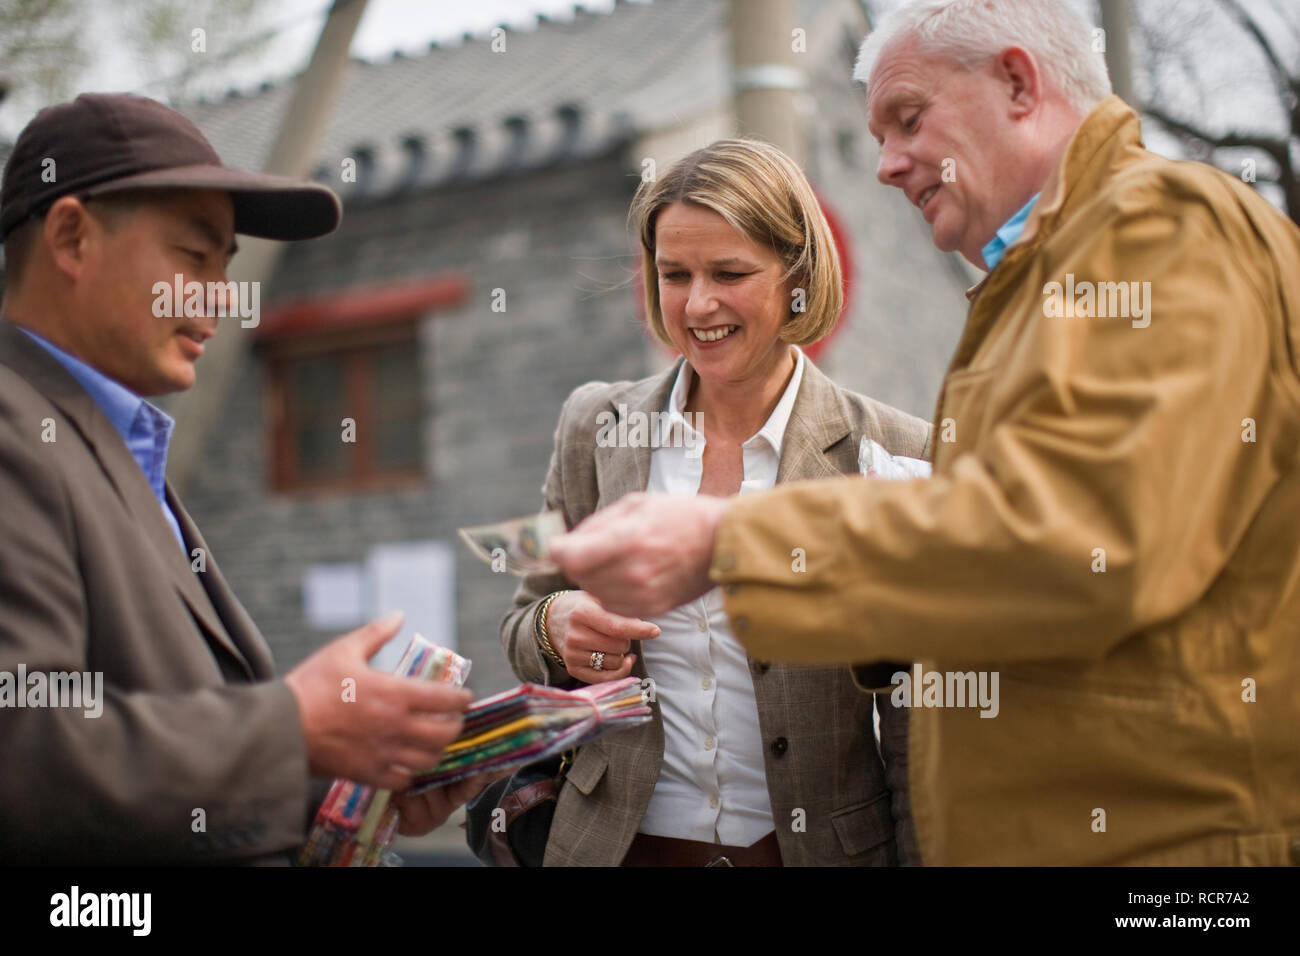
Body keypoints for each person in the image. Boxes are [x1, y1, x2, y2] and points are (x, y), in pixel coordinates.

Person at [547, 0, 1300, 866]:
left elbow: (1088, 542)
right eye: (674, 275)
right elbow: (1029, 577)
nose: (885, 167)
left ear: (1019, 82)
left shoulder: (1156, 228)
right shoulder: (1039, 275)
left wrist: (733, 543)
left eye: (909, 120)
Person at [0, 93, 489, 864]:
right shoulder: (16, 431)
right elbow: (26, 747)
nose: (221, 300)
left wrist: (343, 783)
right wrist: (293, 728)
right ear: (71, 237)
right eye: (193, 258)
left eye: (226, 267)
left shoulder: (110, 440)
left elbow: (167, 744)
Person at [501, 139, 931, 866]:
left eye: (730, 273)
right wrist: (553, 625)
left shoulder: (892, 450)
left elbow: (917, 727)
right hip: (615, 849)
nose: (698, 305)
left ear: (798, 276)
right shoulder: (592, 426)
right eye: (675, 275)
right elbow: (519, 614)